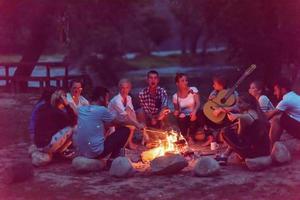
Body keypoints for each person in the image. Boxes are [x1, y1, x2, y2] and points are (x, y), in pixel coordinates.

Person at [73, 86, 130, 169]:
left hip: (82, 152)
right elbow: (120, 122)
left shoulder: (81, 109)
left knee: (106, 128)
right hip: (96, 153)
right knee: (125, 130)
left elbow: (103, 124)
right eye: (107, 98)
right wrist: (136, 123)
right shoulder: (101, 110)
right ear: (101, 98)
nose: (108, 102)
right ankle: (112, 160)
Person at [219, 93, 270, 162]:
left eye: (240, 103)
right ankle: (225, 155)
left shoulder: (243, 117)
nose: (238, 105)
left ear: (248, 104)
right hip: (265, 150)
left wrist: (237, 122)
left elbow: (239, 136)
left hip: (254, 152)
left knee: (225, 131)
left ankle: (230, 155)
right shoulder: (257, 113)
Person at [34, 89, 77, 158]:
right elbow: (74, 121)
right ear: (62, 101)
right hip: (47, 145)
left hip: (38, 145)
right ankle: (62, 151)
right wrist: (67, 105)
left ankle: (57, 151)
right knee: (74, 128)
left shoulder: (42, 108)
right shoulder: (57, 112)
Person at [108, 79, 144, 149]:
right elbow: (125, 115)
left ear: (130, 88)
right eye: (122, 88)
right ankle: (124, 145)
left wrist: (137, 123)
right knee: (131, 123)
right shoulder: (116, 100)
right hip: (112, 121)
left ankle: (129, 143)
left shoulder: (129, 98)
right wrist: (136, 124)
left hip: (121, 118)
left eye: (127, 88)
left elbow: (131, 112)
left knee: (130, 112)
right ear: (119, 89)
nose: (124, 90)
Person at [267, 78, 300, 148]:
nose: (274, 93)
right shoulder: (293, 96)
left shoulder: (286, 101)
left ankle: (271, 148)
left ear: (282, 89)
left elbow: (267, 116)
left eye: (276, 90)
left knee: (276, 119)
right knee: (281, 116)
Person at [172, 73, 200, 142]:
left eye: (186, 80)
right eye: (182, 81)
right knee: (181, 116)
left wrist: (194, 112)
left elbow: (198, 103)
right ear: (177, 83)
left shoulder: (193, 89)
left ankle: (191, 136)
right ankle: (184, 136)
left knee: (196, 114)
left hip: (194, 114)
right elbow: (177, 110)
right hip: (184, 118)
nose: (185, 82)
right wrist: (176, 113)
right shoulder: (175, 96)